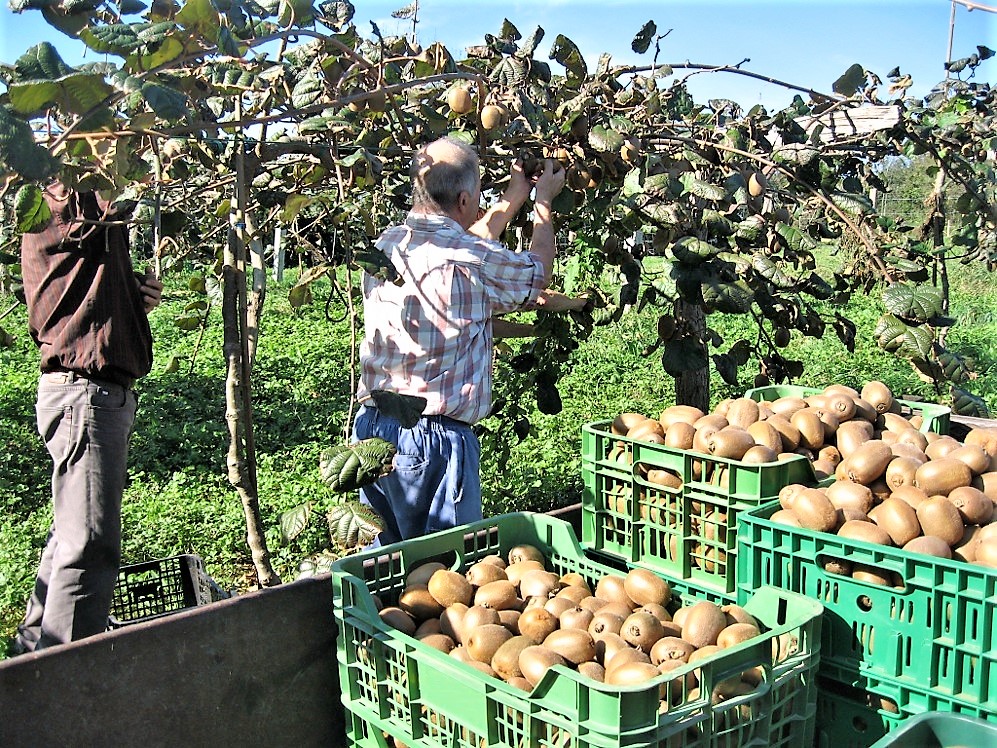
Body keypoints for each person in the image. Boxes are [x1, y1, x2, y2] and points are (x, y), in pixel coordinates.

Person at [353, 137, 571, 545]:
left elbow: (468, 241)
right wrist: (543, 201)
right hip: (431, 438)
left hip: (370, 428)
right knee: (443, 572)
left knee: (383, 563)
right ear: (466, 198)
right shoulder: (470, 258)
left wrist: (516, 192)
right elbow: (536, 271)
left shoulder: (387, 245)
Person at [11, 182, 163, 654]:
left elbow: (84, 290)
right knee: (89, 549)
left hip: (89, 394)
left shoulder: (87, 221)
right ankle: (64, 691)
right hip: (85, 395)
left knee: (70, 538)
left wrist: (131, 296)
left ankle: (30, 666)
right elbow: (95, 200)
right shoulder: (62, 193)